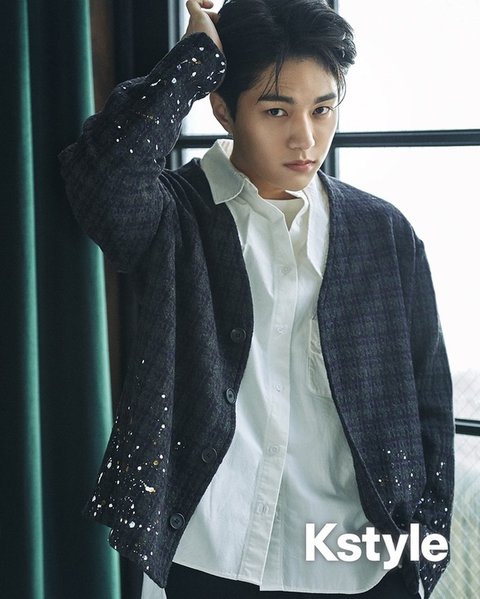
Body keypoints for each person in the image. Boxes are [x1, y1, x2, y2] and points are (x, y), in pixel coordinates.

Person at [59, 1, 454, 598]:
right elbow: (103, 174)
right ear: (223, 108)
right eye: (276, 111)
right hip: (209, 551)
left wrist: (421, 559)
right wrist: (193, 62)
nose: (306, 138)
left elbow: (429, 403)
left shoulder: (384, 233)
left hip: (359, 560)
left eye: (323, 110)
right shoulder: (176, 216)